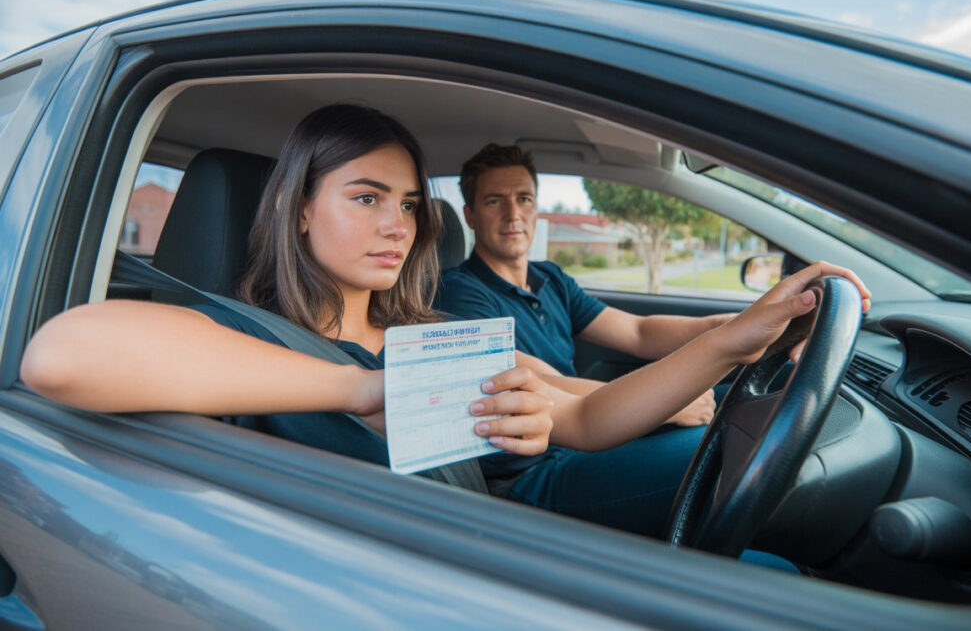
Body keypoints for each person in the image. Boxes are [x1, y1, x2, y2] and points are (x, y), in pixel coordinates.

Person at [20, 104, 870, 544]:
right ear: (297, 209)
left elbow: (585, 415)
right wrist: (359, 385)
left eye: (408, 204)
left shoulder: (434, 333)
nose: (399, 224)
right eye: (365, 197)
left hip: (498, 553)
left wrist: (737, 337)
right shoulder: (238, 339)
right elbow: (61, 355)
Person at [436, 144, 722, 427]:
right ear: (470, 215)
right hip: (541, 459)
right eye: (494, 201)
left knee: (726, 400)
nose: (513, 214)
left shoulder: (551, 277)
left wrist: (724, 327)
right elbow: (543, 385)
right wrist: (661, 402)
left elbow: (638, 332)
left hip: (584, 430)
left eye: (524, 199)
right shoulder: (459, 293)